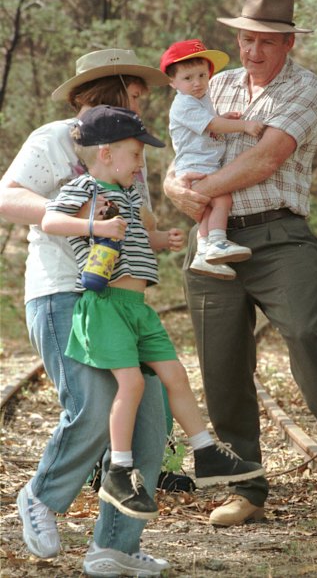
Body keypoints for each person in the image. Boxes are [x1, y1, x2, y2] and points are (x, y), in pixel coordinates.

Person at [163, 0, 317, 527]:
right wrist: (175, 187)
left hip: (278, 236)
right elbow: (183, 152)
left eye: (266, 42)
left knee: (304, 334)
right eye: (246, 39)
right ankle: (247, 489)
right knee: (221, 363)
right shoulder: (211, 84)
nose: (253, 51)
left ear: (288, 42)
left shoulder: (304, 88)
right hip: (211, 237)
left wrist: (196, 192)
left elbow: (265, 158)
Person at [42, 104, 265, 520]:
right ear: (106, 153)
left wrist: (159, 240)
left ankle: (205, 452)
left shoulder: (126, 194)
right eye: (136, 154)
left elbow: (133, 238)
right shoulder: (83, 188)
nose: (140, 163)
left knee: (175, 375)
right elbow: (51, 221)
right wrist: (96, 228)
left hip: (138, 309)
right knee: (131, 385)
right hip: (106, 306)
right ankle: (119, 472)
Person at [0, 48, 174, 577]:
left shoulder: (129, 148)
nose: (143, 104)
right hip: (62, 292)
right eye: (137, 95)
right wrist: (83, 219)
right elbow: (7, 197)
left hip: (121, 301)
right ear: (108, 90)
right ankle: (41, 498)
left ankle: (115, 546)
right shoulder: (56, 137)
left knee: (150, 416)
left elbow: (134, 214)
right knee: (96, 404)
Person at [160, 39, 265, 280]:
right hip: (197, 165)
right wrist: (243, 126)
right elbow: (213, 125)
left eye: (202, 75)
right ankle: (218, 241)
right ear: (173, 82)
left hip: (203, 162)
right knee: (222, 199)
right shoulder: (184, 103)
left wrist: (222, 117)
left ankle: (203, 252)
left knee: (208, 208)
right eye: (188, 78)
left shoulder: (200, 98)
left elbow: (210, 122)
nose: (197, 83)